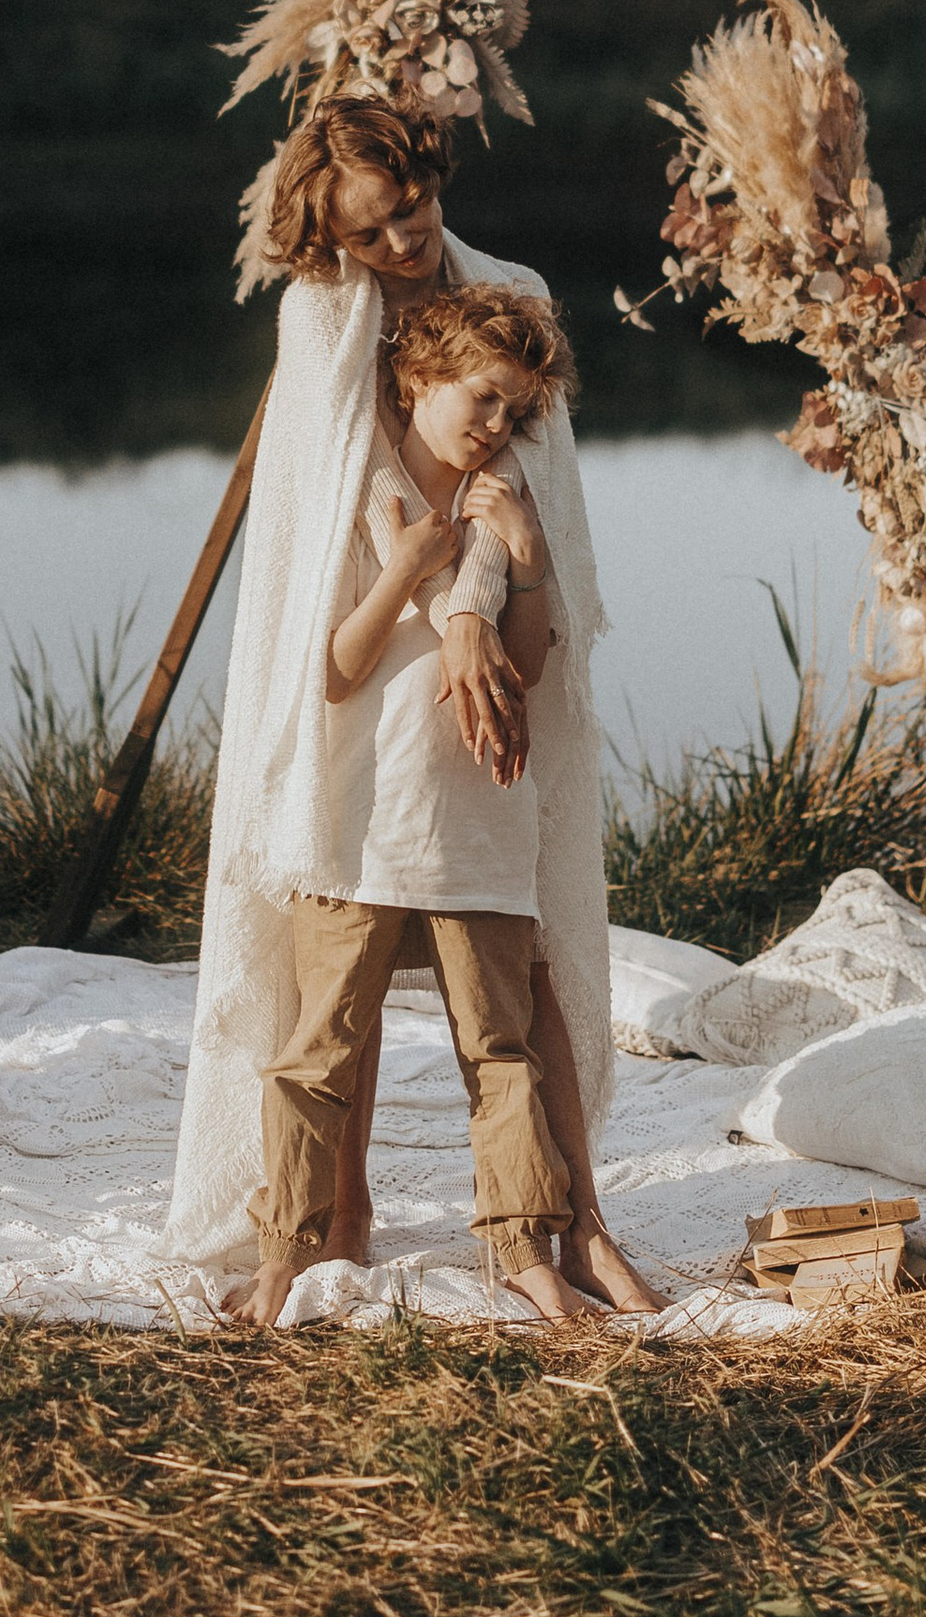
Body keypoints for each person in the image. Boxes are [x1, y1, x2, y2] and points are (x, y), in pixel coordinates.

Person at [164, 100, 662, 1318]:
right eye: (366, 231)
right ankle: (333, 1215)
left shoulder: (509, 294)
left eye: (409, 211)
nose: (396, 243)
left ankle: (571, 1220)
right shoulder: (323, 314)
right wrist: (432, 609)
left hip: (490, 682)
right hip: (365, 681)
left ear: (433, 177)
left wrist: (477, 614)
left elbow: (516, 483)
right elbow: (335, 509)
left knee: (520, 955)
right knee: (341, 960)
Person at [226, 281, 584, 1329]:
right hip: (359, 821)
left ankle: (524, 1248)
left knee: (499, 1046)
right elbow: (334, 672)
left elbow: (523, 663)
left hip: (477, 819)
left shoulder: (502, 495)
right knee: (316, 1048)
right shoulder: (364, 489)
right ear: (416, 378)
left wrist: (520, 551)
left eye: (513, 412)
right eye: (480, 399)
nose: (493, 427)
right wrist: (407, 572)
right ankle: (282, 1251)